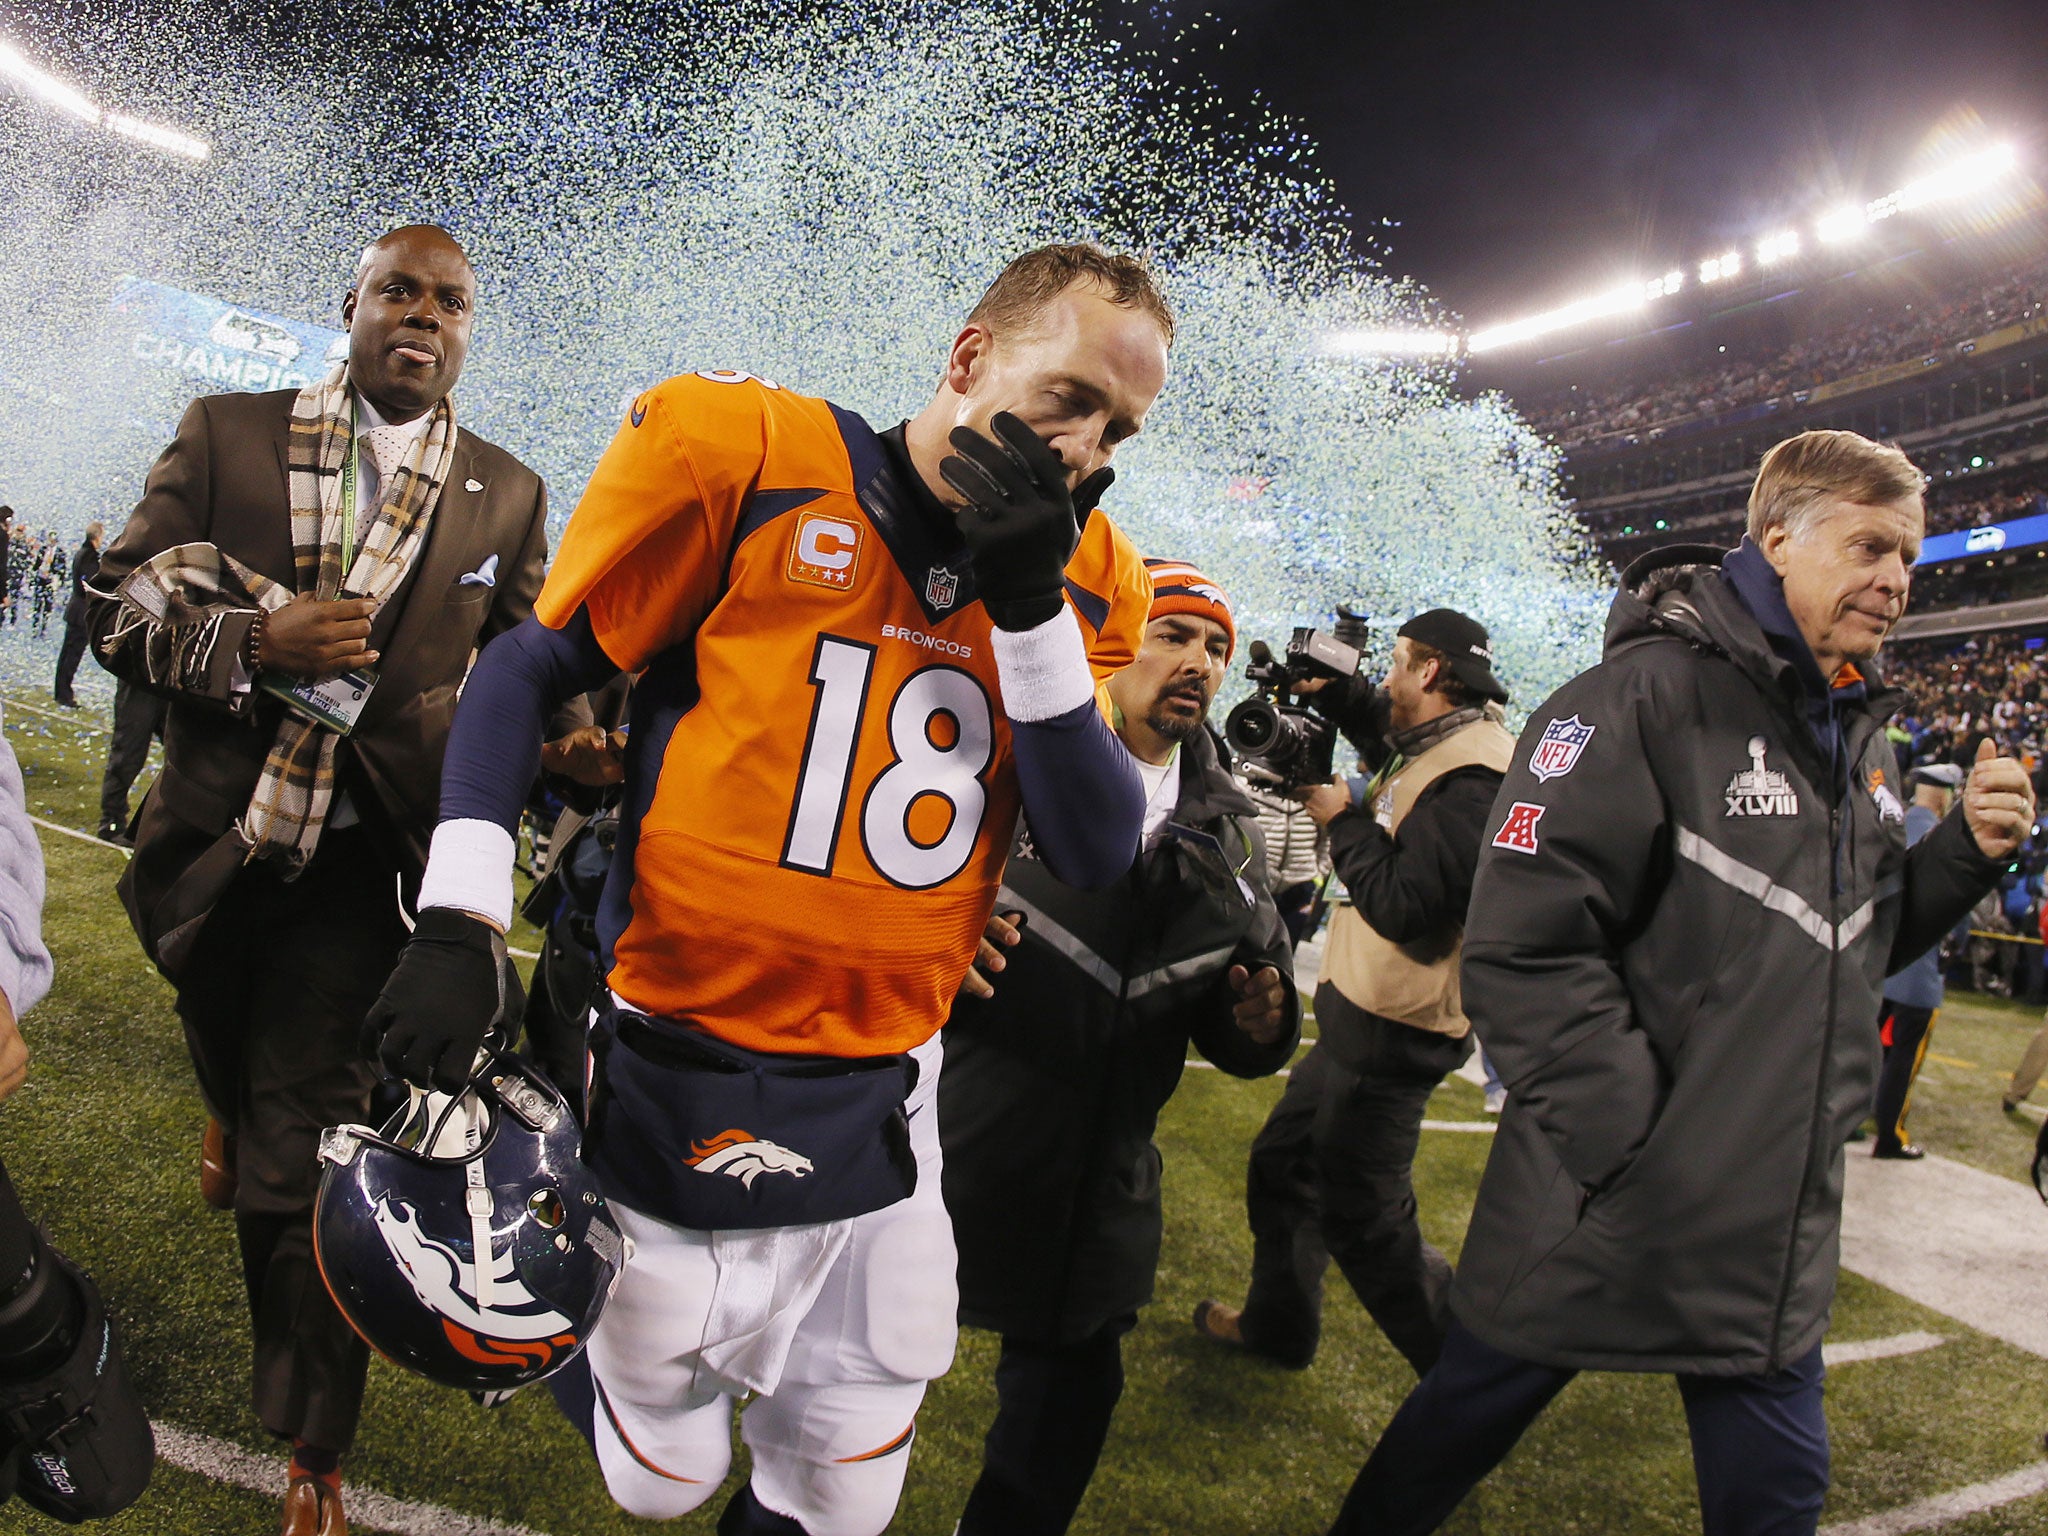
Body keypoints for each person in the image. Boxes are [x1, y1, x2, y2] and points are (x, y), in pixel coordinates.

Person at [363, 242, 1165, 1536]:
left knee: (844, 1498)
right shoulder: (749, 454)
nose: (1080, 448)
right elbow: (524, 670)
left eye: (1119, 428)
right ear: (969, 358)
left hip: (889, 1083)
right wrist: (460, 915)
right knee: (660, 1479)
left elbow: (1094, 845)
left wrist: (1027, 614)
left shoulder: (1086, 582)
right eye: (1067, 397)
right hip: (678, 1049)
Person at [1328, 429, 2032, 1536]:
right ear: (1775, 539)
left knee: (1774, 1500)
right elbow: (1522, 947)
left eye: (1908, 555)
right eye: (1868, 546)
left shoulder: (1854, 729)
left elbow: (1847, 941)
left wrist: (1964, 858)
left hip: (1765, 1234)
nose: (1895, 579)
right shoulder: (1627, 700)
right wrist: (1637, 1149)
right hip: (1606, 1206)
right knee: (1440, 1446)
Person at [85, 224, 589, 1536]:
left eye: (451, 301)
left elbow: (535, 671)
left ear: (470, 329)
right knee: (226, 1040)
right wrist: (251, 639)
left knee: (304, 1148)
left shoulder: (510, 492)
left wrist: (577, 741)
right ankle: (224, 1102)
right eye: (399, 291)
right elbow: (113, 610)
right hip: (208, 850)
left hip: (371, 870)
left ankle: (310, 1431)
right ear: (350, 306)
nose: (423, 315)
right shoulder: (226, 433)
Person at [941, 560, 1298, 1536]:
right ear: (1113, 644)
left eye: (1216, 648)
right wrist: (931, 945)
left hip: (1101, 1177)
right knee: (844, 1395)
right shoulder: (1002, 759)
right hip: (953, 1138)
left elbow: (1247, 991)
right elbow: (888, 892)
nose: (1199, 663)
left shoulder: (1230, 830)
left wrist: (1257, 1025)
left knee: (1063, 1413)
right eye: (1175, 635)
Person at [1195, 609, 1513, 1375]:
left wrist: (1341, 821)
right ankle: (1279, 1324)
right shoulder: (1449, 747)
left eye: (1397, 664)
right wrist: (1332, 697)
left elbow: (1409, 907)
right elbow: (1386, 735)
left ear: (1429, 671)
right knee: (1283, 1167)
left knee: (1367, 1221)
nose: (1386, 680)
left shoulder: (1474, 776)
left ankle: (1467, 1384)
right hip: (1364, 1021)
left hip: (1395, 1031)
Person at [1873, 762, 1966, 1159]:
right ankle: (1891, 1136)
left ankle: (1847, 1122)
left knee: (1867, 1049)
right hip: (1917, 976)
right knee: (1903, 1061)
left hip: (1876, 967)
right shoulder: (1942, 836)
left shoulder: (1889, 821)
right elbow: (1957, 911)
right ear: (1944, 795)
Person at [53, 520, 103, 708]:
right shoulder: (89, 556)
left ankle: (61, 690)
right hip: (81, 611)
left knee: (67, 653)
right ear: (97, 536)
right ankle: (64, 694)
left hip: (75, 609)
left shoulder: (82, 553)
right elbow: (89, 583)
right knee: (72, 655)